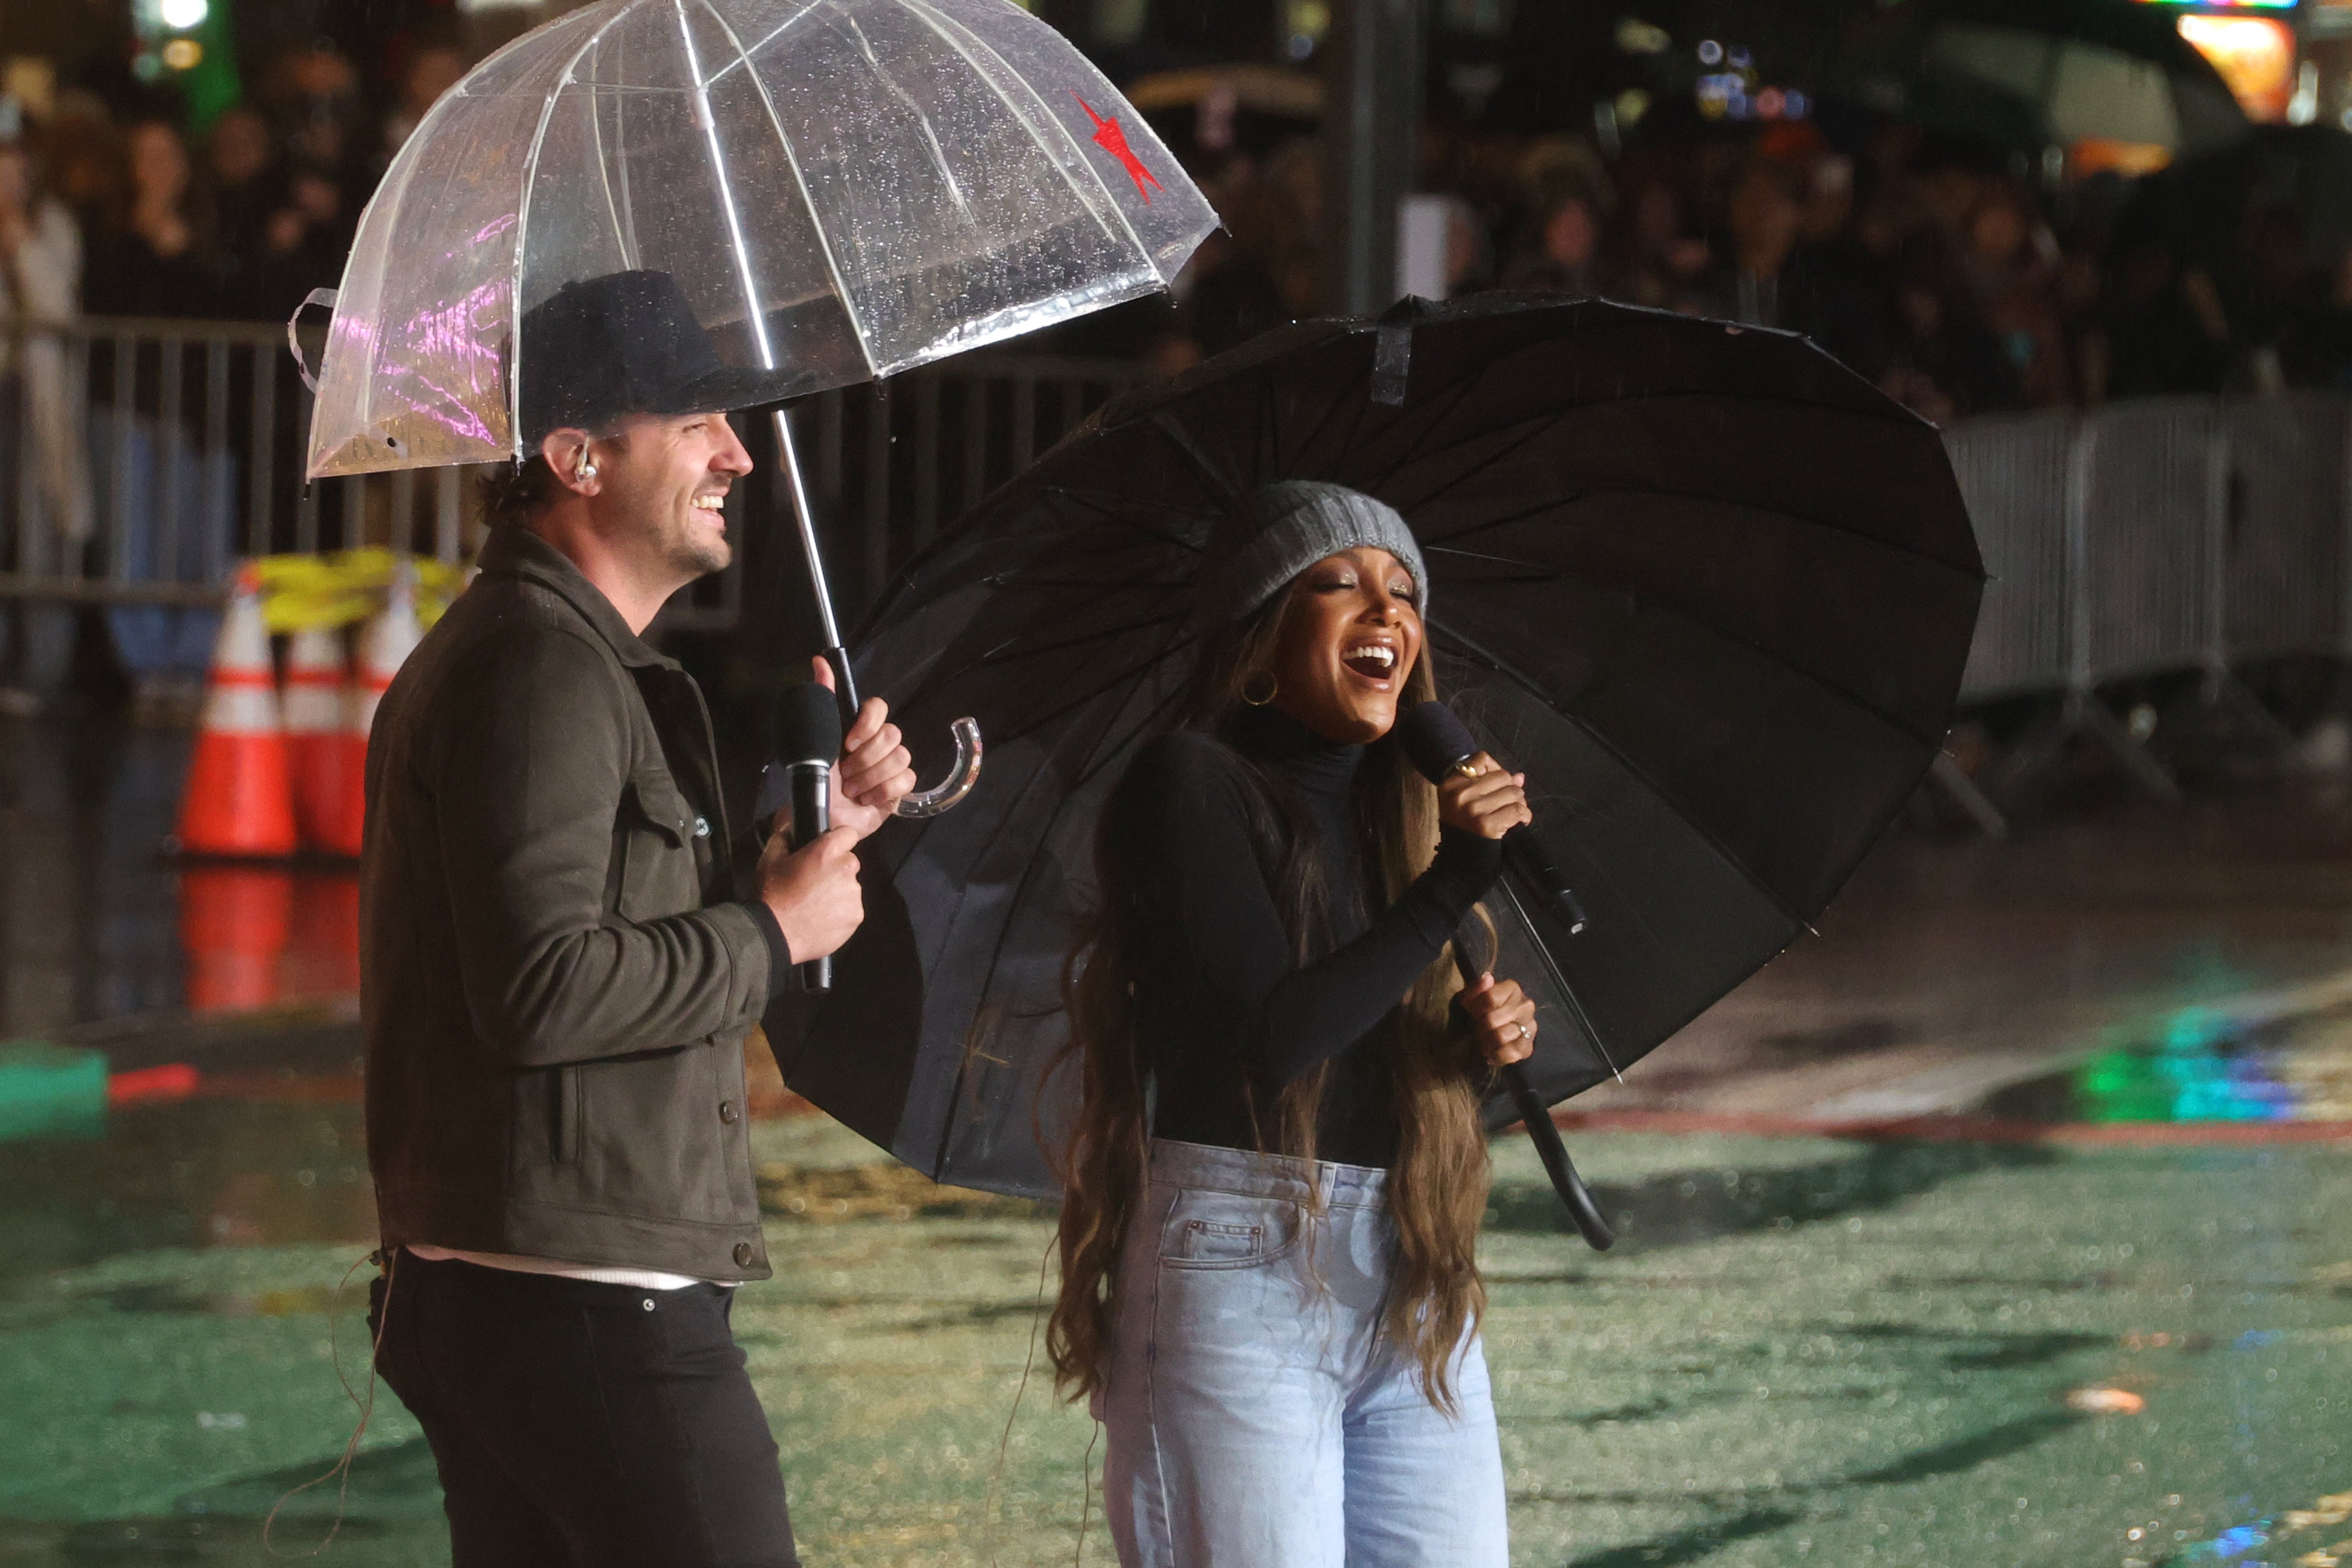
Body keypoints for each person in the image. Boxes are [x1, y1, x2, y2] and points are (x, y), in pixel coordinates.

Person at [361, 269, 917, 1568]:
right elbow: (542, 986)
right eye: (697, 423)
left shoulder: (556, 658)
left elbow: (596, 941)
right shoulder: (542, 668)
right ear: (578, 456)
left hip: (525, 1283)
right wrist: (772, 929)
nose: (739, 454)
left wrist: (807, 856)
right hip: (581, 1300)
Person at [1048, 481, 1540, 1567]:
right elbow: (1267, 1043)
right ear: (1265, 626)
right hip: (1237, 1264)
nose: (1389, 614)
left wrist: (1462, 1055)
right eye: (1342, 583)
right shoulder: (1190, 782)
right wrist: (1450, 885)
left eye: (1406, 592)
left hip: (1402, 1270)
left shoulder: (1398, 812)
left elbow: (1353, 1031)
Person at [0, 124, 90, 712]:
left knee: (40, 530)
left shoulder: (54, 227)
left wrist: (18, 243)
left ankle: (39, 672)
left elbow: (54, 306)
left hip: (38, 398)